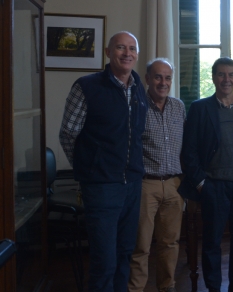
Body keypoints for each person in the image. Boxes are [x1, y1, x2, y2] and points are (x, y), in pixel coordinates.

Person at [59, 31, 147, 292]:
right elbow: (68, 133)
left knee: (124, 255)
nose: (127, 53)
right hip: (101, 186)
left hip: (132, 183)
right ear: (108, 52)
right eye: (121, 47)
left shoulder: (138, 86)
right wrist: (88, 167)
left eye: (132, 48)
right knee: (104, 262)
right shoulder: (86, 86)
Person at [178, 57, 233, 292]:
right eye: (221, 74)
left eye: (231, 74)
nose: (227, 79)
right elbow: (190, 150)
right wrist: (201, 183)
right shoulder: (200, 107)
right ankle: (213, 287)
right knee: (212, 243)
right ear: (214, 77)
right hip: (214, 187)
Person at [128, 58, 185, 292]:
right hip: (146, 185)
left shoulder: (179, 106)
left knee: (170, 243)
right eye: (158, 77)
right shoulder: (137, 105)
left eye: (168, 77)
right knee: (141, 246)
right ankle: (136, 289)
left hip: (174, 184)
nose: (163, 82)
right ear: (148, 79)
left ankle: (167, 286)